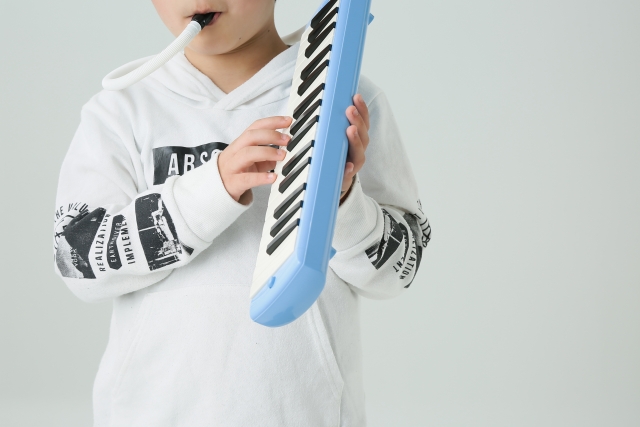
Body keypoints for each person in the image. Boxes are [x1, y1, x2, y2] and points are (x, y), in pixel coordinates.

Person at [52, 0, 431, 425]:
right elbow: (79, 266)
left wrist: (342, 203)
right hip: (153, 412)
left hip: (304, 412)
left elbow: (399, 272)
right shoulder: (119, 112)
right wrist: (211, 189)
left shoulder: (349, 101)